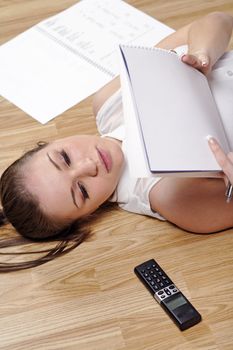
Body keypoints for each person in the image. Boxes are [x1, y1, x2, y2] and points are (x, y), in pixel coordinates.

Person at [0, 12, 233, 271]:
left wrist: (202, 54)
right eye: (82, 191)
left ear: (49, 142)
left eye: (65, 158)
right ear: (89, 214)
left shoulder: (110, 102)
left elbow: (218, 20)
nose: (89, 166)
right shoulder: (170, 197)